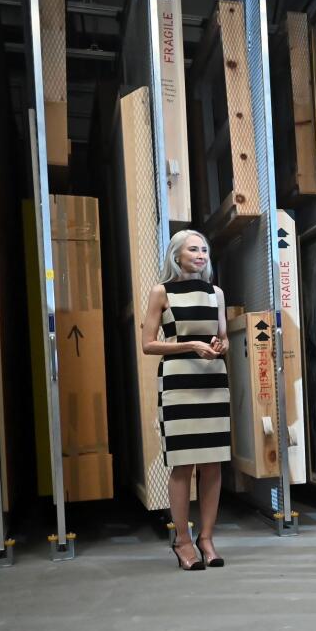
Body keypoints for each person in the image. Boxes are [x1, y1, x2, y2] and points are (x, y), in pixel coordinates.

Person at [141, 230, 231, 571]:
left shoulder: (216, 293)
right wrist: (190, 345)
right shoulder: (161, 292)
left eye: (205, 249)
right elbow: (148, 344)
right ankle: (182, 540)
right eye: (193, 249)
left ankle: (206, 538)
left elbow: (223, 338)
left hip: (212, 380)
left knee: (213, 463)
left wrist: (221, 346)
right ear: (176, 255)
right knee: (183, 464)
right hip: (179, 381)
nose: (201, 254)